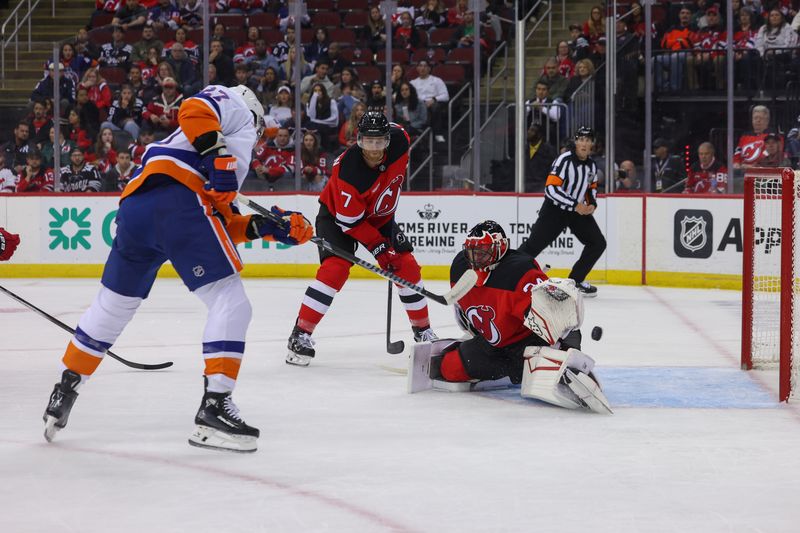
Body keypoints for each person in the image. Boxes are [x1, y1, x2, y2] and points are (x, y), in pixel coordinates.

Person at [41, 84, 314, 453]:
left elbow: (221, 221)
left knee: (113, 306)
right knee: (230, 302)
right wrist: (219, 158)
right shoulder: (235, 112)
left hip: (139, 209)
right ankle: (214, 407)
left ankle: (64, 390)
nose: (259, 140)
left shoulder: (200, 147)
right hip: (179, 204)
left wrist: (267, 228)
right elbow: (195, 106)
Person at [285, 111, 438, 367]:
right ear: (358, 140)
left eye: (379, 142)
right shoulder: (349, 171)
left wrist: (387, 248)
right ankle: (300, 334)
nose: (374, 149)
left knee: (407, 266)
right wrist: (380, 249)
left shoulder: (400, 139)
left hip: (379, 217)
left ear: (388, 140)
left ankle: (423, 331)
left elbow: (397, 129)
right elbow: (351, 222)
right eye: (368, 141)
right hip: (337, 218)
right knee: (335, 269)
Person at [408, 221, 608, 412]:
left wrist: (569, 352)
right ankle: (512, 372)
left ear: (500, 248)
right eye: (472, 252)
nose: (476, 259)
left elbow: (559, 314)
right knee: (449, 369)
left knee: (542, 374)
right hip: (492, 346)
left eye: (482, 252)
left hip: (526, 344)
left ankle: (560, 364)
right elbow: (464, 312)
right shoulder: (460, 266)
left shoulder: (520, 271)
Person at [518, 126, 606, 297]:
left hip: (576, 213)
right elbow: (551, 189)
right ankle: (506, 274)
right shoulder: (564, 160)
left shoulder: (591, 166)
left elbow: (591, 189)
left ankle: (575, 281)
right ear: (575, 141)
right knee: (532, 246)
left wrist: (592, 204)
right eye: (581, 139)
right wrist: (576, 204)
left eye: (588, 140)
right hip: (554, 210)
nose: (584, 143)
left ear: (592, 144)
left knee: (598, 243)